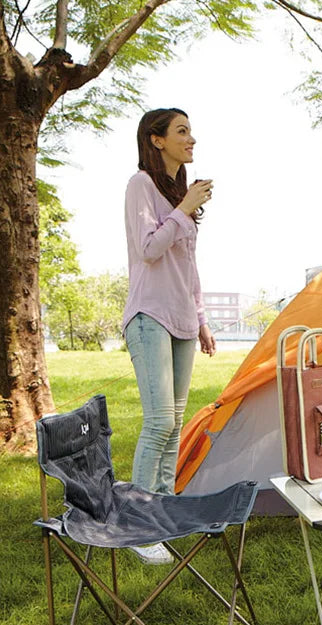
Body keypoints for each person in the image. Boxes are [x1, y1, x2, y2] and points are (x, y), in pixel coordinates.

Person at [121, 108, 216, 564]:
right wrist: (184, 209)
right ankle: (139, 528)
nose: (191, 139)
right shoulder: (140, 185)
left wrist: (200, 319)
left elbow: (188, 268)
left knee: (175, 425)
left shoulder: (179, 196)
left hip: (180, 318)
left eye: (190, 131)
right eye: (182, 131)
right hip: (149, 314)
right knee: (159, 420)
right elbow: (148, 249)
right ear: (157, 140)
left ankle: (161, 513)